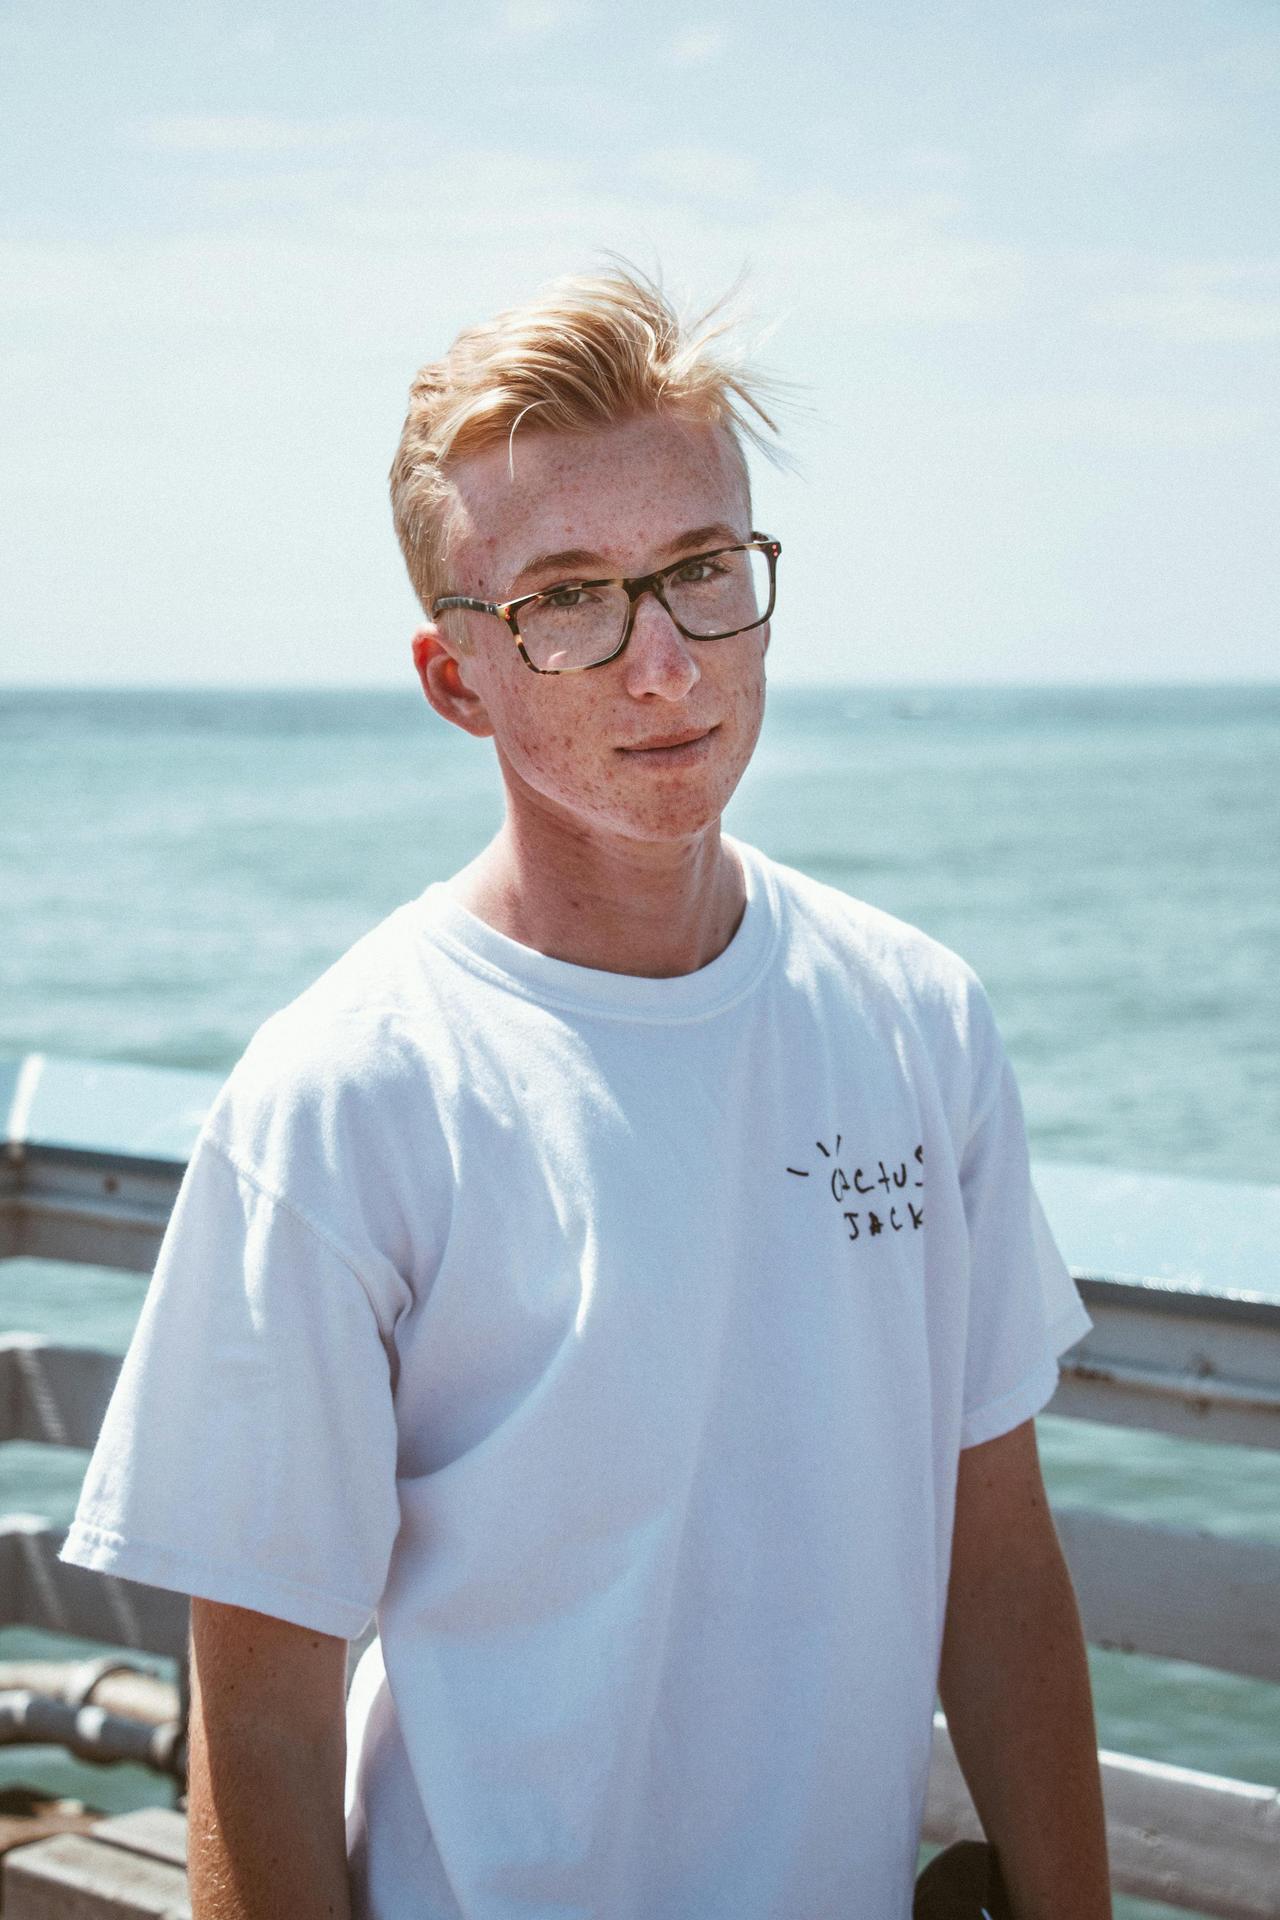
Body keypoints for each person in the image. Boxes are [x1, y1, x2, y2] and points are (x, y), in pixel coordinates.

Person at [59, 267, 1112, 1920]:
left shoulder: (920, 1020)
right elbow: (259, 1727)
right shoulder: (342, 1101)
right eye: (568, 601)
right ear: (456, 678)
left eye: (701, 570)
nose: (666, 664)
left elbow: (999, 1573)